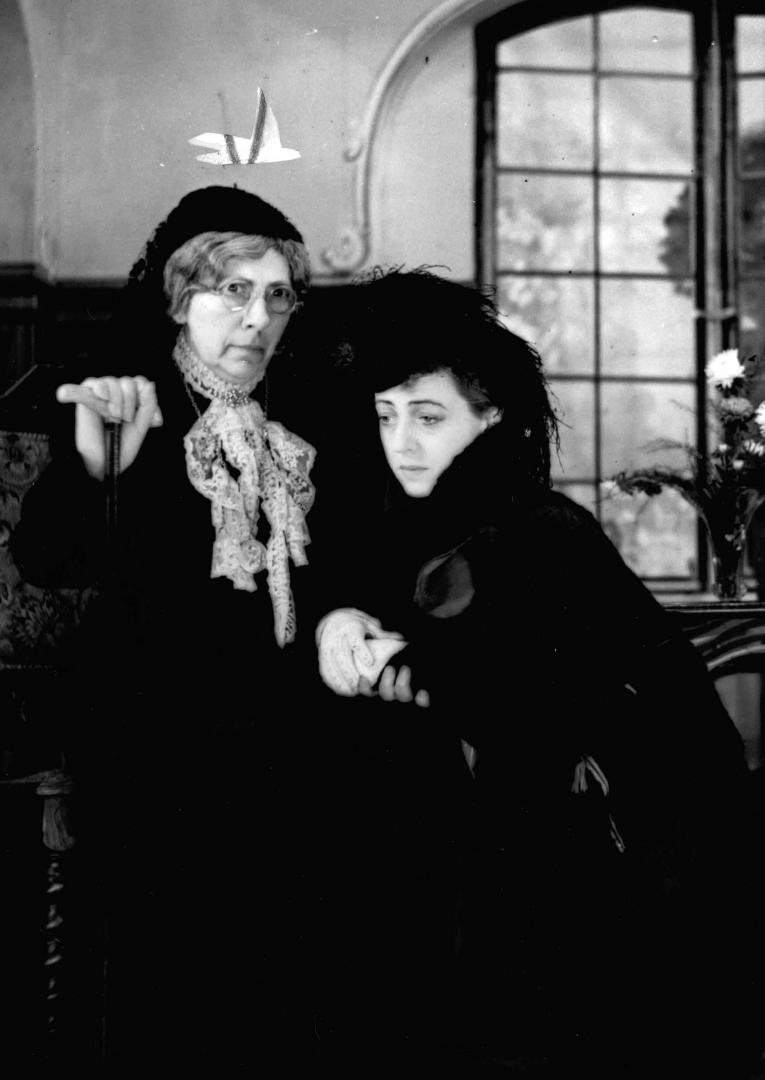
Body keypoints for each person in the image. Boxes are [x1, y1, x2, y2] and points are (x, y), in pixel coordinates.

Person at [308, 267, 759, 1076]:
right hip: (496, 837)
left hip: (597, 845)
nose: (401, 441)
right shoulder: (421, 523)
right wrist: (349, 627)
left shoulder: (537, 529)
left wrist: (413, 668)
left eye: (428, 417)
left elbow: (541, 700)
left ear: (490, 418)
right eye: (385, 416)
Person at [11, 186, 319, 1073]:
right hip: (152, 745)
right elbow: (46, 558)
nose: (257, 318)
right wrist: (100, 465)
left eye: (277, 296)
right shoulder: (130, 403)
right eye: (232, 291)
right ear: (181, 299)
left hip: (277, 744)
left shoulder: (299, 425)